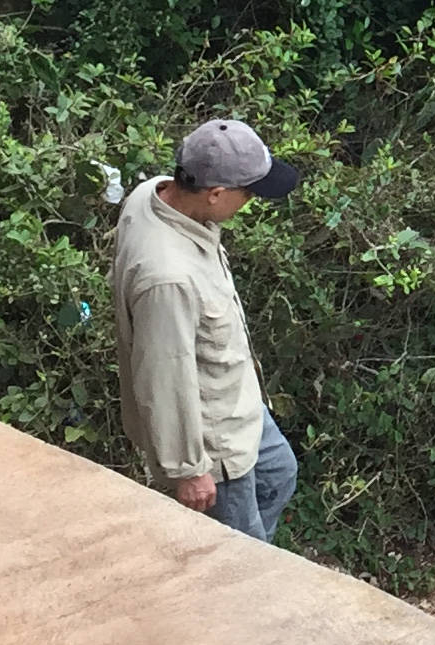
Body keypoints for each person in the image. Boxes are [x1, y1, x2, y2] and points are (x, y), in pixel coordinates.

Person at [110, 118, 306, 542]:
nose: (250, 202)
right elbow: (163, 374)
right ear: (215, 194)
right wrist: (187, 469)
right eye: (248, 194)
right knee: (243, 553)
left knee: (279, 473)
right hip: (209, 441)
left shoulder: (155, 193)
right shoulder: (168, 279)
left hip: (235, 399)